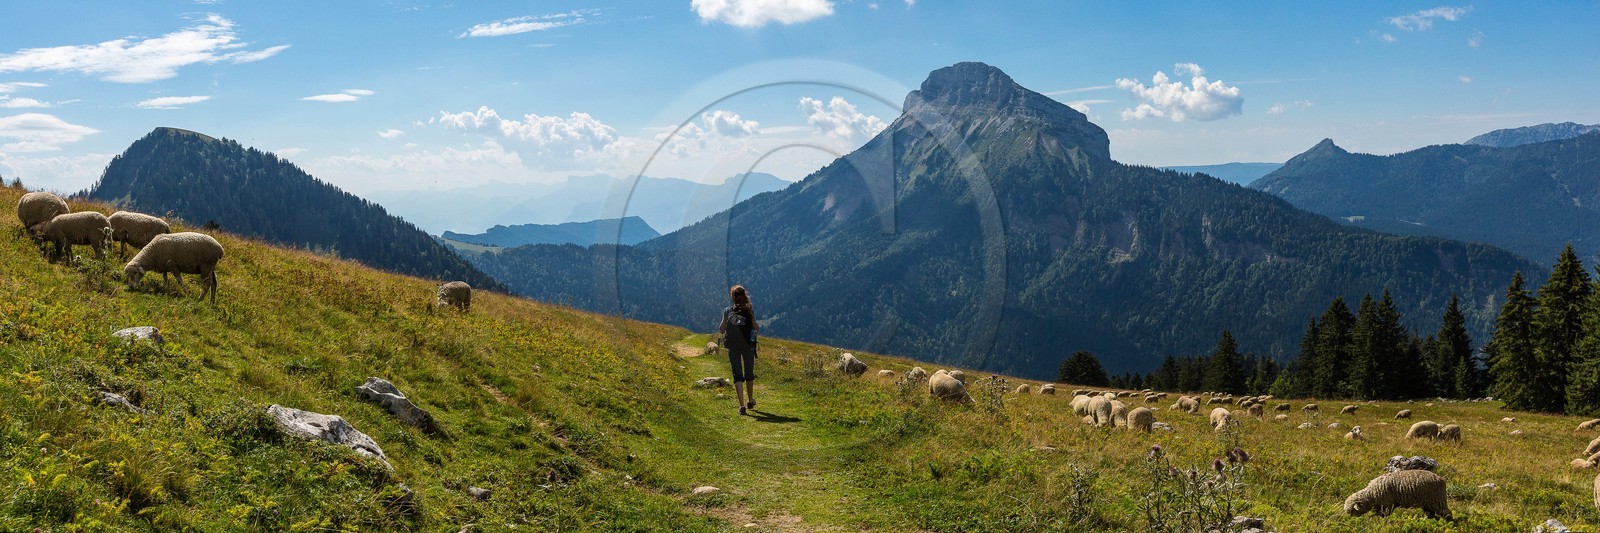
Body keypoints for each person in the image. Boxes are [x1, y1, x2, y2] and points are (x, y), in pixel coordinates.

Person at [719, 285, 760, 415]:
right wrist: (751, 315)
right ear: (745, 296)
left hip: (733, 347)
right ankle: (750, 400)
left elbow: (721, 330)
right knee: (749, 373)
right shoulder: (749, 311)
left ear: (733, 297)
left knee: (737, 375)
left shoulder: (727, 311)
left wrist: (725, 319)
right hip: (748, 347)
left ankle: (741, 406)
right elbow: (756, 328)